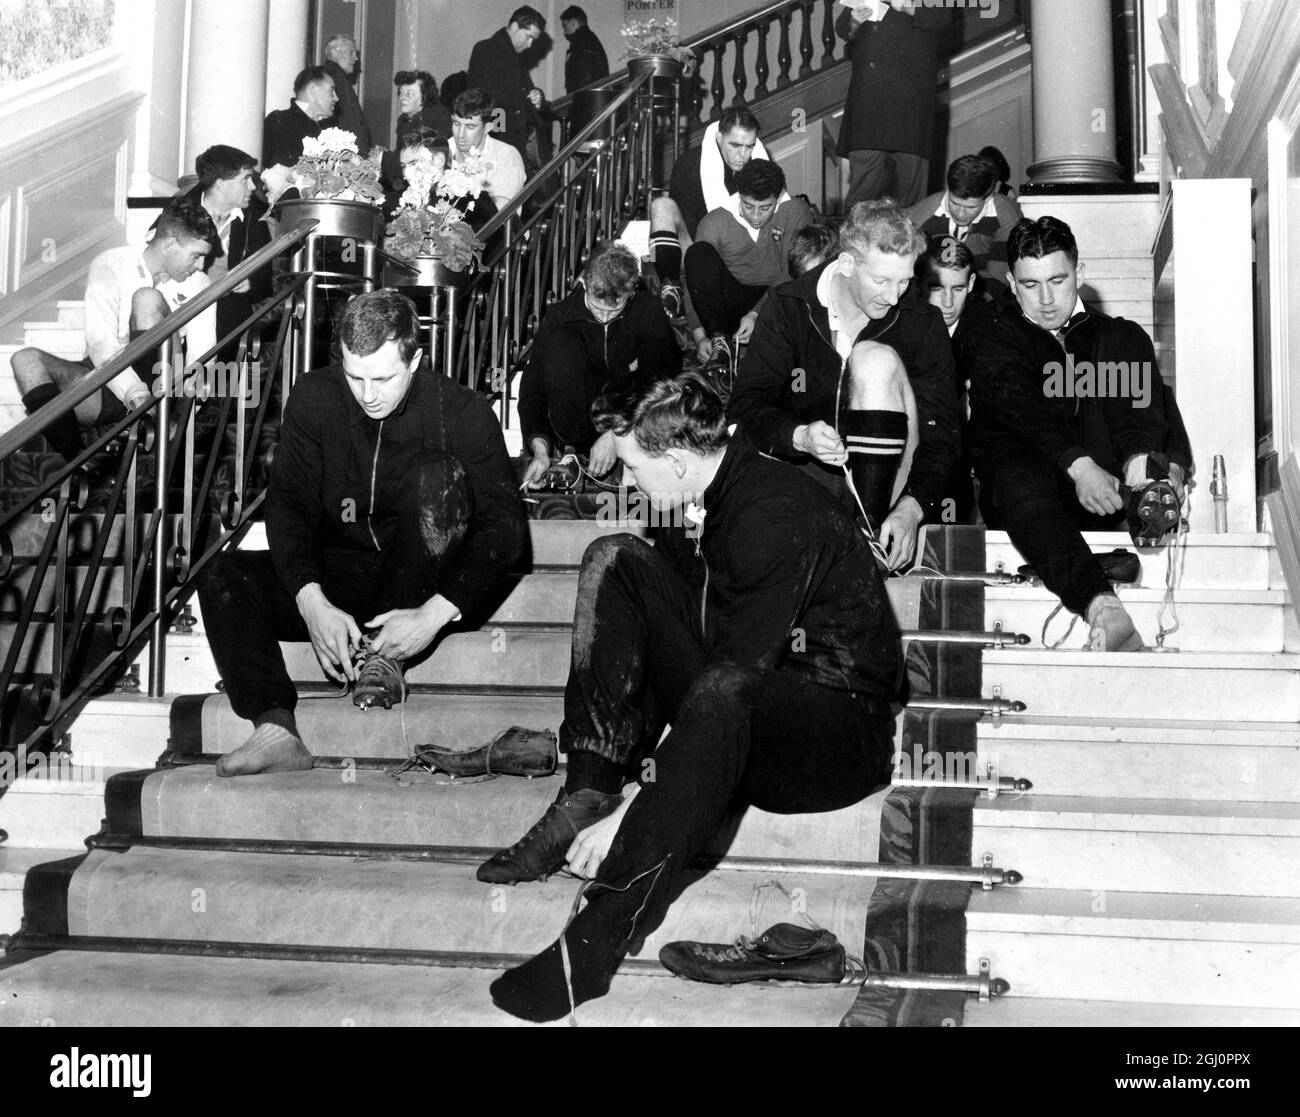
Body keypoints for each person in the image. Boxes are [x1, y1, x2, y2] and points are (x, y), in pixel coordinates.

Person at [484, 372, 902, 1022]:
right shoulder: (697, 496)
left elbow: (731, 678)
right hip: (746, 693)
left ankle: (593, 944)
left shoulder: (774, 512)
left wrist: (636, 814)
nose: (627, 484)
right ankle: (585, 790)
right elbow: (686, 641)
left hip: (836, 729)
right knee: (615, 557)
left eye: (633, 468)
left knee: (725, 690)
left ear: (677, 460)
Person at [195, 290, 527, 777]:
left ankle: (386, 661)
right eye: (355, 377)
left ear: (416, 358)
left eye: (383, 378)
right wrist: (310, 600)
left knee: (436, 474)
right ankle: (275, 726)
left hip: (420, 584)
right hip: (342, 582)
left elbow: (505, 531)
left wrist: (433, 614)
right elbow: (289, 508)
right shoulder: (314, 396)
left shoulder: (463, 411)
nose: (368, 394)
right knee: (222, 570)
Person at [959, 216, 1194, 650]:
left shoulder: (1112, 338)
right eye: (1030, 285)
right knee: (1013, 469)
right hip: (1029, 491)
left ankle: (1149, 476)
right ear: (1011, 282)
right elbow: (1020, 409)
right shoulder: (993, 332)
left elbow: (1151, 402)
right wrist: (1078, 465)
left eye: (1058, 280)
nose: (1046, 299)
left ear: (1079, 275)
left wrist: (1166, 459)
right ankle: (1102, 607)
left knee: (1127, 347)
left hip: (1111, 484)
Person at [728, 199, 961, 570]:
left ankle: (871, 538)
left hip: (894, 485)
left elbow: (942, 436)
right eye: (881, 280)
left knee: (873, 357)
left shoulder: (922, 322)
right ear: (847, 263)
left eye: (905, 281)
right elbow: (745, 407)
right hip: (805, 477)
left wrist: (912, 510)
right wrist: (798, 435)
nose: (894, 296)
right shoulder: (788, 306)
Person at [10, 200, 218, 463]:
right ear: (170, 244)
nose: (200, 266)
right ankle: (78, 465)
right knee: (25, 360)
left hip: (161, 384)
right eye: (196, 256)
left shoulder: (200, 283)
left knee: (146, 299)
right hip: (110, 378)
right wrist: (133, 394)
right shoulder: (112, 263)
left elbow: (203, 359)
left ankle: (153, 419)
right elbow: (100, 342)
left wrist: (184, 412)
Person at [518, 243, 681, 487]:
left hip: (629, 417)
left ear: (631, 292)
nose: (604, 317)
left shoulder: (648, 309)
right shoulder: (559, 317)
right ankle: (570, 452)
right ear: (584, 283)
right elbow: (533, 391)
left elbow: (658, 382)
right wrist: (540, 450)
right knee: (562, 344)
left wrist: (616, 434)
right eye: (597, 308)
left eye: (615, 309)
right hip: (575, 423)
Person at [685, 159, 813, 368]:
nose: (756, 216)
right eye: (748, 206)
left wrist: (756, 313)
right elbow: (693, 280)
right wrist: (699, 335)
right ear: (739, 196)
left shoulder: (796, 210)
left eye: (765, 208)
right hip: (731, 304)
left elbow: (793, 271)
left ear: (778, 197)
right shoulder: (715, 221)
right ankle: (720, 342)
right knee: (697, 253)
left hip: (777, 301)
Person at [835, 0, 959, 209]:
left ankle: (910, 240)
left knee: (912, 193)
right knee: (862, 192)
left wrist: (908, 6)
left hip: (911, 97)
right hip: (869, 97)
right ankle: (854, 240)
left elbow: (942, 17)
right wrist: (855, 21)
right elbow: (842, 27)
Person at [650, 107, 768, 324]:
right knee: (661, 205)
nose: (743, 155)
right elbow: (693, 235)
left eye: (749, 146)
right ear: (719, 137)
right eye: (735, 145)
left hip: (743, 257)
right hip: (699, 252)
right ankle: (671, 286)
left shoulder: (760, 166)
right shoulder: (690, 164)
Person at [183, 145, 274, 343]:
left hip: (227, 306)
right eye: (244, 180)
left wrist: (250, 282)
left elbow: (265, 275)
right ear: (221, 185)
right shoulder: (183, 209)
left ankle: (213, 374)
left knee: (232, 310)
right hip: (185, 300)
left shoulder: (254, 216)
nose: (252, 186)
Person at [907, 154, 1023, 296]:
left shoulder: (1007, 217)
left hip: (985, 296)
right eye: (954, 203)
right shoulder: (919, 218)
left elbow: (999, 277)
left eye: (970, 207)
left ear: (987, 198)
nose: (960, 214)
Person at [467, 6, 550, 172]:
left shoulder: (517, 58)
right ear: (514, 27)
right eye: (528, 37)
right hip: (502, 142)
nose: (530, 44)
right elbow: (486, 101)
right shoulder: (485, 49)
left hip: (516, 143)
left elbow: (523, 92)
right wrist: (497, 143)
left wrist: (536, 96)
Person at [449, 88, 527, 212]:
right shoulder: (443, 150)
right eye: (457, 124)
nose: (460, 134)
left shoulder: (505, 156)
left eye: (470, 127)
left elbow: (499, 213)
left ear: (487, 128)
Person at [382, 72, 455, 193]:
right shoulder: (404, 120)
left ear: (425, 96)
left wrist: (383, 158)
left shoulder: (438, 117)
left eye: (409, 93)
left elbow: (423, 159)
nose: (402, 97)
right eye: (400, 92)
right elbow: (402, 158)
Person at [263, 67, 338, 168]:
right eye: (331, 90)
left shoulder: (327, 127)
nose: (336, 98)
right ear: (313, 91)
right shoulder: (280, 122)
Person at [322, 33, 373, 156]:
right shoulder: (335, 78)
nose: (355, 58)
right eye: (351, 53)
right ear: (334, 53)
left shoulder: (337, 77)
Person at [560, 5, 609, 93]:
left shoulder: (580, 41)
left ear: (574, 23)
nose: (564, 31)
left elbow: (582, 77)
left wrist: (573, 99)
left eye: (565, 25)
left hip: (585, 99)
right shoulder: (589, 39)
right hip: (592, 98)